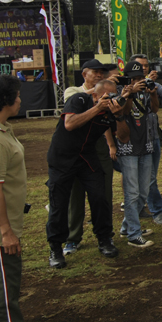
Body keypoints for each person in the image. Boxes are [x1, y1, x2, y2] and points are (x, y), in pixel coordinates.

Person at [46, 80, 123, 268]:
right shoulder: (79, 99)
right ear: (95, 96)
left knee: (99, 196)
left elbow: (124, 136)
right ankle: (56, 247)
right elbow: (70, 124)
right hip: (62, 158)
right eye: (107, 96)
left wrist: (119, 115)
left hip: (87, 158)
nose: (111, 99)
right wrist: (97, 108)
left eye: (114, 95)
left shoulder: (110, 111)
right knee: (60, 202)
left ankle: (104, 239)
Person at [0, 75, 32, 322]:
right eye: (16, 95)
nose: (20, 99)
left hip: (2, 228)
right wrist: (6, 232)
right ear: (5, 100)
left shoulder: (2, 128)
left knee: (5, 288)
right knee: (3, 292)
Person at [62, 58, 111, 256]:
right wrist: (101, 91)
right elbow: (71, 109)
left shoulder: (107, 94)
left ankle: (105, 237)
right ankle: (73, 238)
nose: (99, 75)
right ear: (84, 74)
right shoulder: (73, 91)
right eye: (95, 72)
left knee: (103, 196)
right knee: (75, 197)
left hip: (98, 148)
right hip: (76, 150)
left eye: (102, 73)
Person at [116, 60, 157, 248]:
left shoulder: (145, 91)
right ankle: (133, 233)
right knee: (132, 193)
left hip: (145, 145)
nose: (138, 81)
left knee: (143, 191)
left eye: (141, 78)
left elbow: (154, 109)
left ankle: (127, 226)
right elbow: (122, 113)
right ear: (127, 80)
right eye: (134, 79)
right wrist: (130, 94)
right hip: (128, 148)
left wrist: (153, 92)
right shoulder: (120, 94)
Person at [131, 54, 162, 226]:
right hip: (134, 139)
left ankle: (150, 209)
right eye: (140, 65)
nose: (144, 68)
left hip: (152, 136)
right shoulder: (125, 87)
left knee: (150, 176)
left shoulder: (152, 85)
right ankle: (154, 210)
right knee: (138, 177)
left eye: (146, 65)